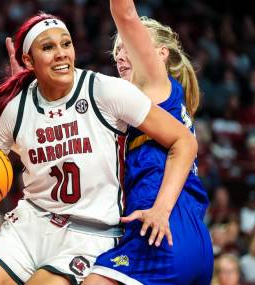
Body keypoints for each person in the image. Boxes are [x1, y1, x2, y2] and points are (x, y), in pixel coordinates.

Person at [0, 12, 198, 285]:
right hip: (28, 226)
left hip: (88, 233)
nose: (61, 53)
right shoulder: (17, 109)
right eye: (48, 47)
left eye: (66, 43)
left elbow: (184, 139)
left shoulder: (105, 90)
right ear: (28, 59)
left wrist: (162, 209)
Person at [82, 1, 213, 284]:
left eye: (127, 45)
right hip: (192, 238)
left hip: (161, 231)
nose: (119, 54)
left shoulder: (155, 84)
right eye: (116, 50)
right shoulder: (146, 111)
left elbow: (124, 12)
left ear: (160, 54)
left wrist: (160, 210)